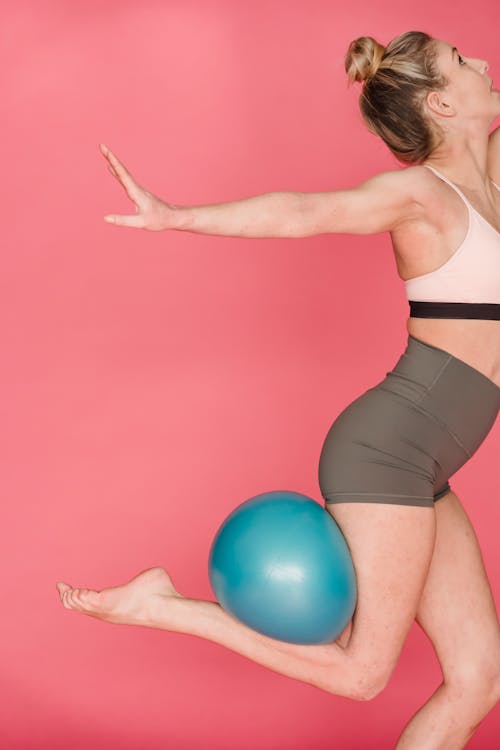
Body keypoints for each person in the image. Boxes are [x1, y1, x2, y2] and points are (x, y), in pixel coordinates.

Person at [56, 31, 500, 749]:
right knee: (362, 673)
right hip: (389, 451)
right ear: (443, 102)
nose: (482, 62)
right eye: (461, 62)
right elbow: (302, 212)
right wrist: (178, 216)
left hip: (430, 462)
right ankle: (167, 605)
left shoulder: (492, 178)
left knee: (480, 676)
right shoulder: (423, 195)